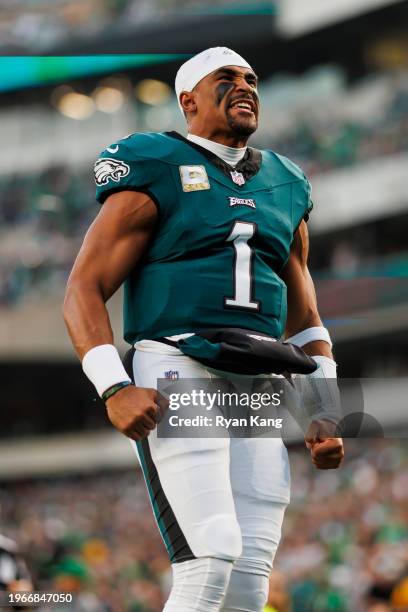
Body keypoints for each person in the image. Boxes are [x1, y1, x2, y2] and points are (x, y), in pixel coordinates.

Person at [63, 47, 344, 612]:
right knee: (210, 553)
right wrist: (113, 386)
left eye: (251, 78)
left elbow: (304, 315)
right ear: (188, 100)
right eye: (227, 78)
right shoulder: (156, 162)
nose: (245, 86)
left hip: (259, 377)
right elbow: (83, 288)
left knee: (249, 580)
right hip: (180, 361)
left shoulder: (286, 182)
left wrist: (323, 406)